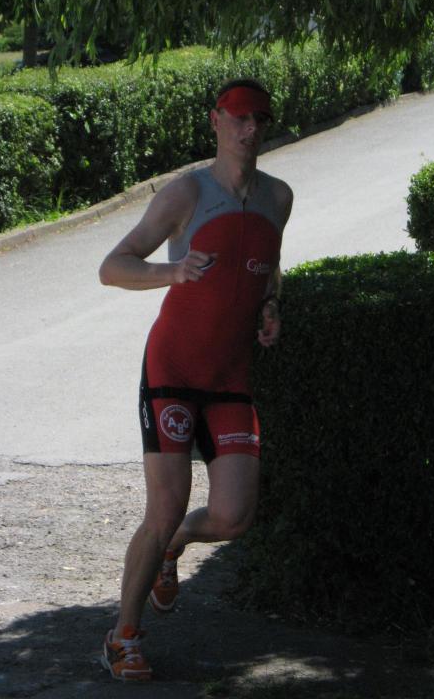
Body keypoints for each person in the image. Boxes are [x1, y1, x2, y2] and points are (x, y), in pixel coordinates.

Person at [98, 78, 293, 682]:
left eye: (259, 119)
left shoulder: (278, 197)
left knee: (234, 517)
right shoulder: (187, 192)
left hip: (229, 375)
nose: (250, 129)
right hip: (173, 370)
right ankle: (123, 636)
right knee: (164, 507)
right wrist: (174, 271)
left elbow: (268, 266)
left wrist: (270, 305)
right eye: (238, 118)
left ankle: (175, 545)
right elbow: (113, 266)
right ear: (216, 121)